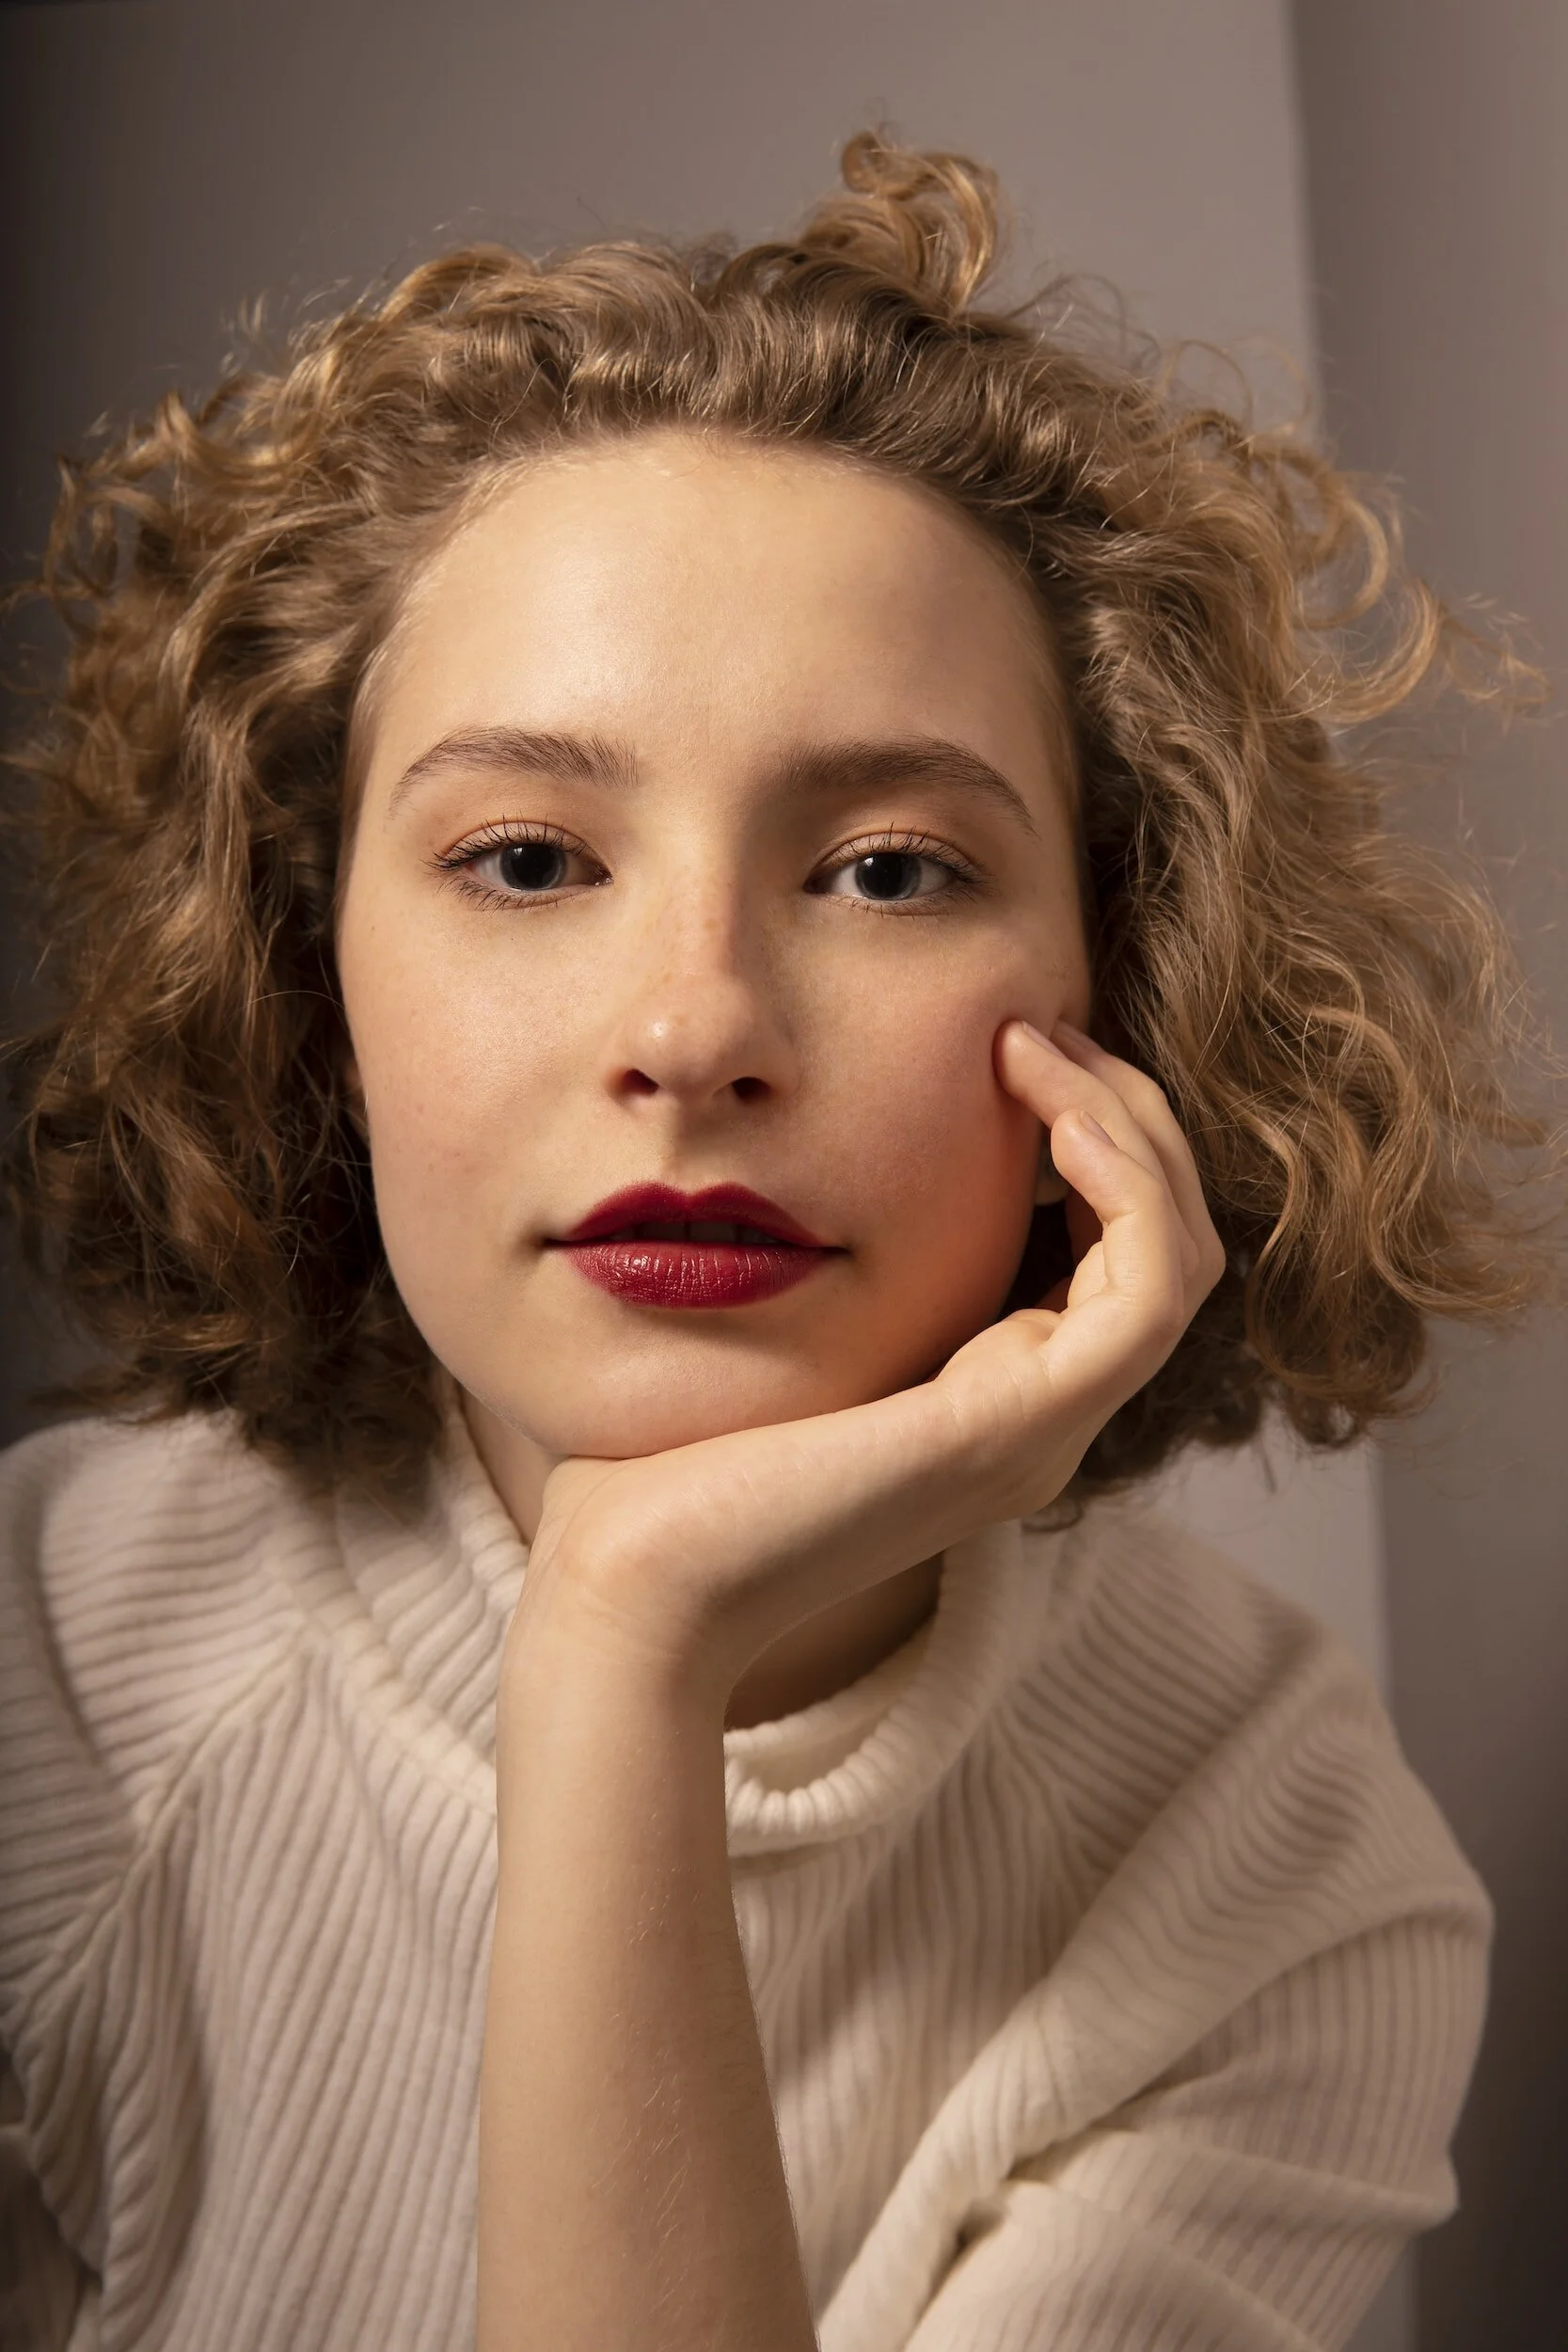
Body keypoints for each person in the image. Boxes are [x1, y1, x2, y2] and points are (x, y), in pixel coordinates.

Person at [0, 133, 1555, 2352]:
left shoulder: (1276, 1874)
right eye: (529, 857)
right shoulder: (41, 1675)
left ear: (1132, 984)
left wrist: (625, 1642)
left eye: (891, 871)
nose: (696, 1027)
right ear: (296, 961)